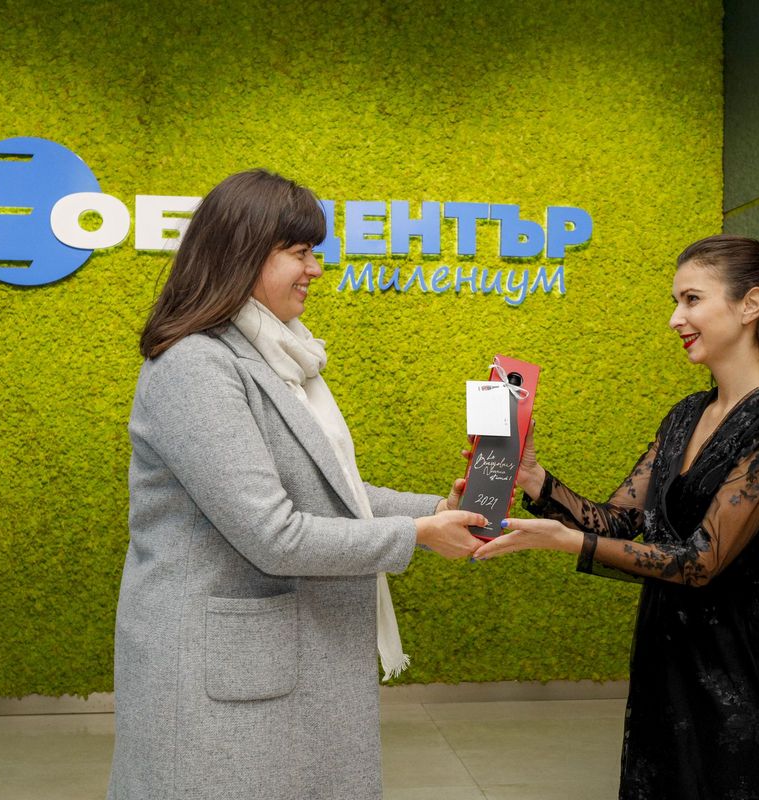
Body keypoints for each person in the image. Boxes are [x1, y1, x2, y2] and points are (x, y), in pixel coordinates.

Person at [107, 169, 486, 800]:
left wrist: (440, 508)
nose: (316, 269)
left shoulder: (275, 357)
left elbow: (326, 491)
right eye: (300, 252)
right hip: (218, 672)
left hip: (271, 662)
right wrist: (418, 533)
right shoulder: (196, 365)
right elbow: (273, 533)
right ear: (243, 254)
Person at [475, 235, 759, 800]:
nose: (675, 318)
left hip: (733, 670)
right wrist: (533, 476)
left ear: (751, 305)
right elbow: (615, 521)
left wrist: (566, 543)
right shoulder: (686, 414)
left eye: (691, 299)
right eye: (676, 301)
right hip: (664, 659)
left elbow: (702, 561)